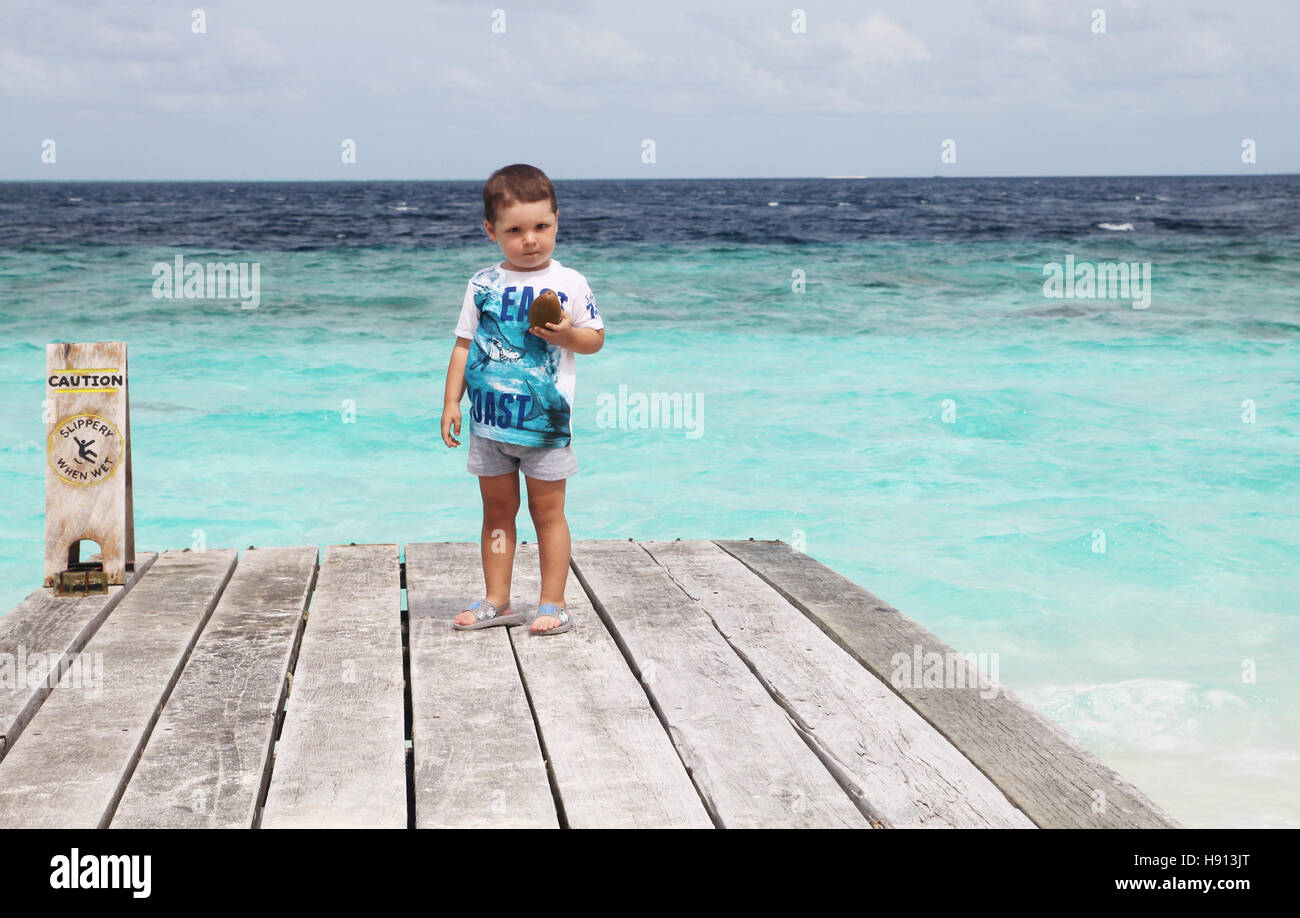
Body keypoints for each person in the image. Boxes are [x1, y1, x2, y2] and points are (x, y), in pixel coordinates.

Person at [440, 164, 604, 635]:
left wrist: (567, 334)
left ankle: (552, 603)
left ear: (556, 220)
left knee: (547, 514)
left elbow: (595, 340)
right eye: (515, 230)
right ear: (491, 231)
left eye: (541, 227)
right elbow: (463, 345)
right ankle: (497, 599)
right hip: (488, 423)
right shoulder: (482, 284)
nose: (530, 239)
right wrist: (453, 402)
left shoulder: (569, 282)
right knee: (496, 513)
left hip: (544, 425)